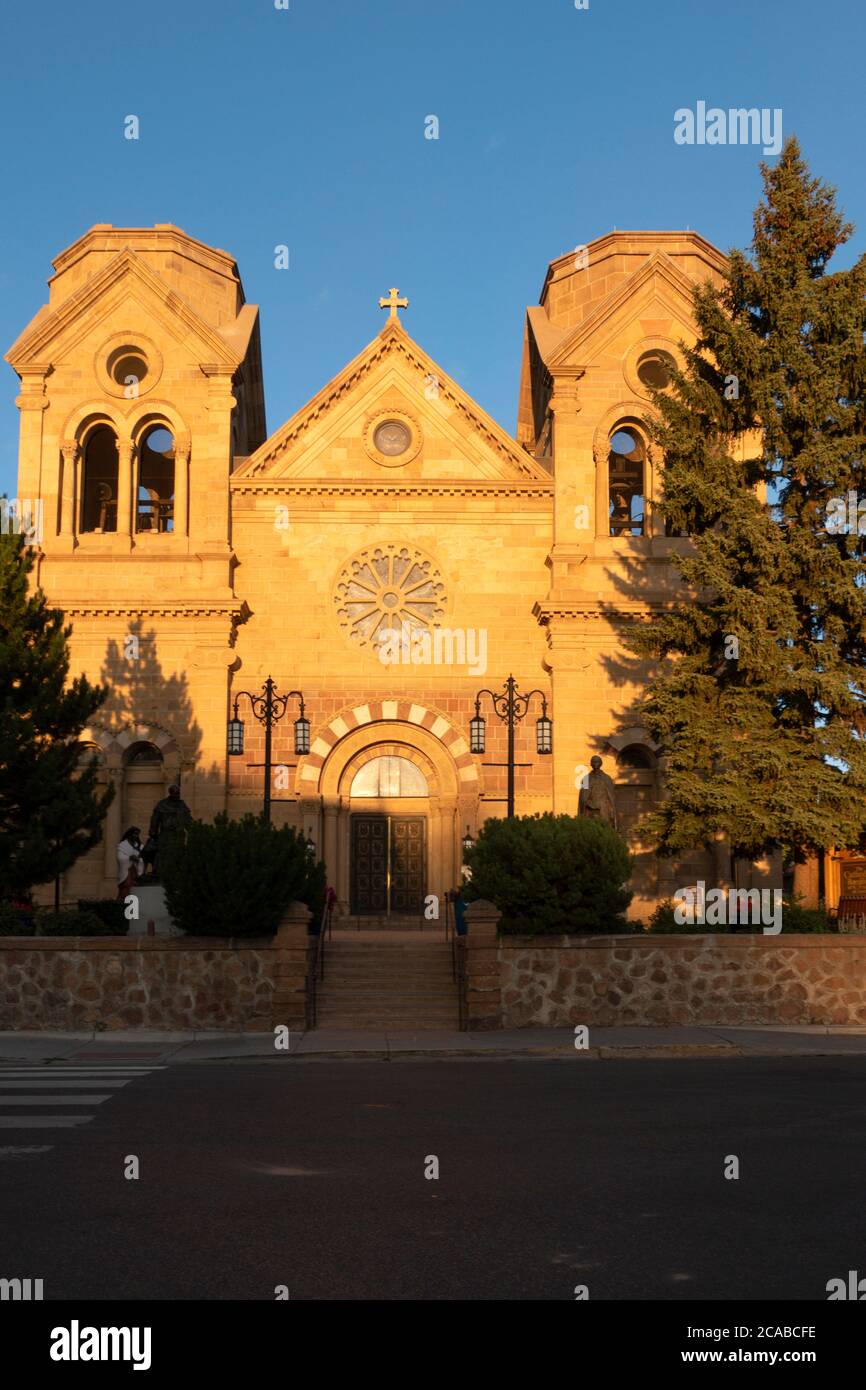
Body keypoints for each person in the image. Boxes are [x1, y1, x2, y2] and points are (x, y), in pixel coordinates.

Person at [117, 827, 144, 901]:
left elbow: (143, 856)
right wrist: (129, 858)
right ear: (129, 834)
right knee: (126, 885)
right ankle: (123, 902)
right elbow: (120, 857)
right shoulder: (122, 845)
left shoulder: (139, 846)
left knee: (135, 886)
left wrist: (139, 859)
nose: (136, 836)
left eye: (137, 834)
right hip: (127, 870)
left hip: (135, 870)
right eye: (134, 834)